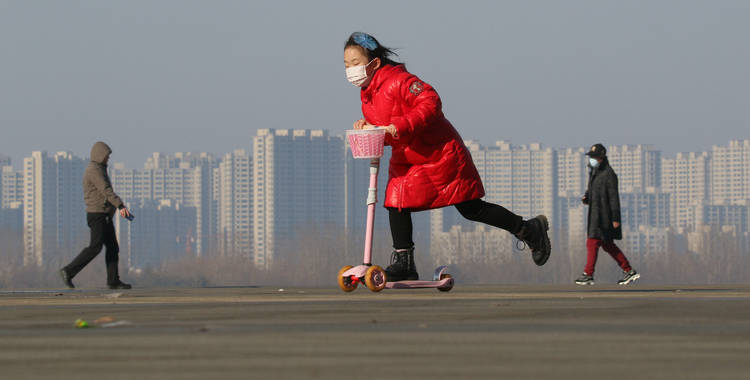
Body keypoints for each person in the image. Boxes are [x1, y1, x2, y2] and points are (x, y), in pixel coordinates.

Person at [344, 32, 551, 281]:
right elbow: (390, 133)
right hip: (409, 157)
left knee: (470, 208)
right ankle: (404, 263)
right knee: (395, 201)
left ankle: (528, 229)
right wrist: (368, 128)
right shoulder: (368, 97)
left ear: (374, 63)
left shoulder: (401, 81)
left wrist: (400, 124)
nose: (351, 70)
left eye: (355, 64)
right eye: (346, 65)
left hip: (440, 152)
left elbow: (430, 102)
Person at [60, 142, 132, 289]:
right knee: (95, 247)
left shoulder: (100, 169)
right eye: (107, 156)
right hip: (97, 215)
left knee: (112, 247)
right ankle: (68, 271)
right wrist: (120, 205)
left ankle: (113, 281)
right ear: (100, 155)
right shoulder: (94, 170)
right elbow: (106, 191)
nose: (108, 159)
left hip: (104, 215)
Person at [575, 143, 640, 285]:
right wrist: (587, 198)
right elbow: (592, 192)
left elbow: (613, 197)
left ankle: (588, 274)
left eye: (594, 157)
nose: (591, 160)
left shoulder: (609, 175)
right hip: (594, 215)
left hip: (603, 217)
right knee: (607, 245)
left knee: (592, 242)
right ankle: (628, 270)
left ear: (601, 158)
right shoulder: (594, 173)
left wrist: (616, 218)